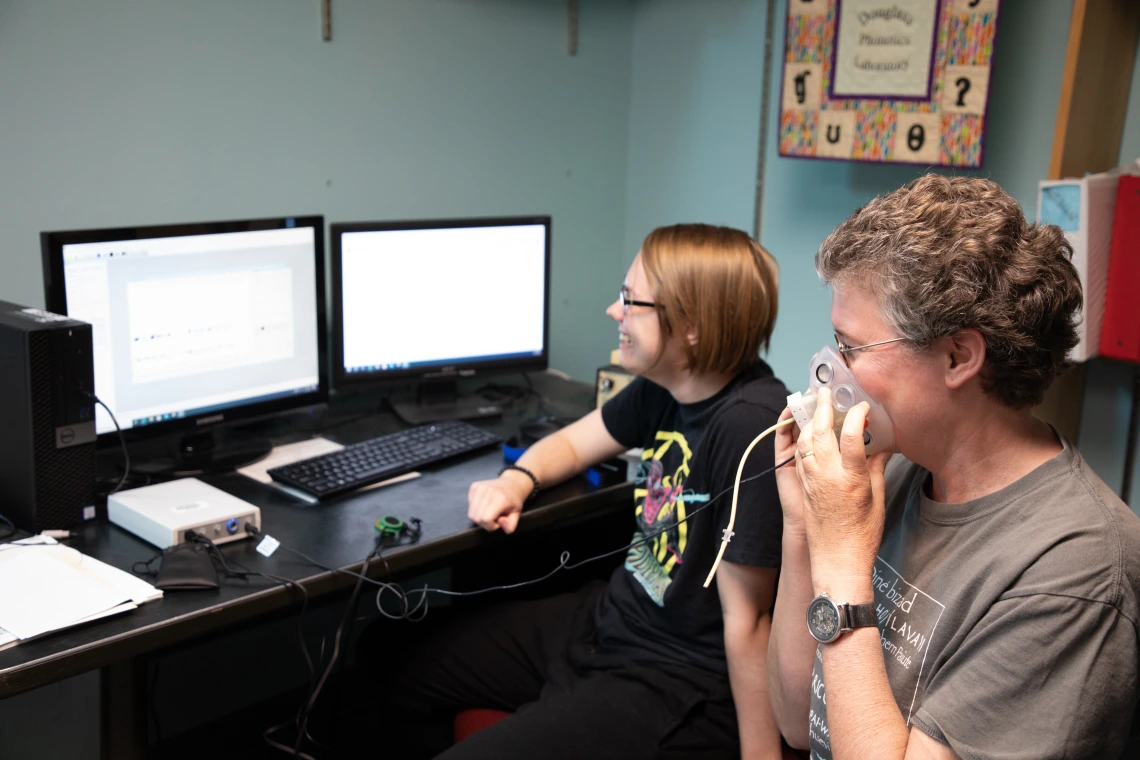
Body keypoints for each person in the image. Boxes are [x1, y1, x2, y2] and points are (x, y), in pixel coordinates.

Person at [376, 223, 790, 759]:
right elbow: (573, 445)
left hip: (676, 676)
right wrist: (515, 480)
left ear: (689, 324)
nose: (613, 312)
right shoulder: (671, 385)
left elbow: (751, 622)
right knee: (390, 654)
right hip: (611, 621)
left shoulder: (748, 428)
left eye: (630, 300)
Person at [766, 175, 1140, 759]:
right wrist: (802, 526)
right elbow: (794, 720)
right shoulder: (892, 471)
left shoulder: (1076, 572)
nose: (828, 368)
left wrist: (840, 565)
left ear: (958, 356)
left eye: (851, 347)